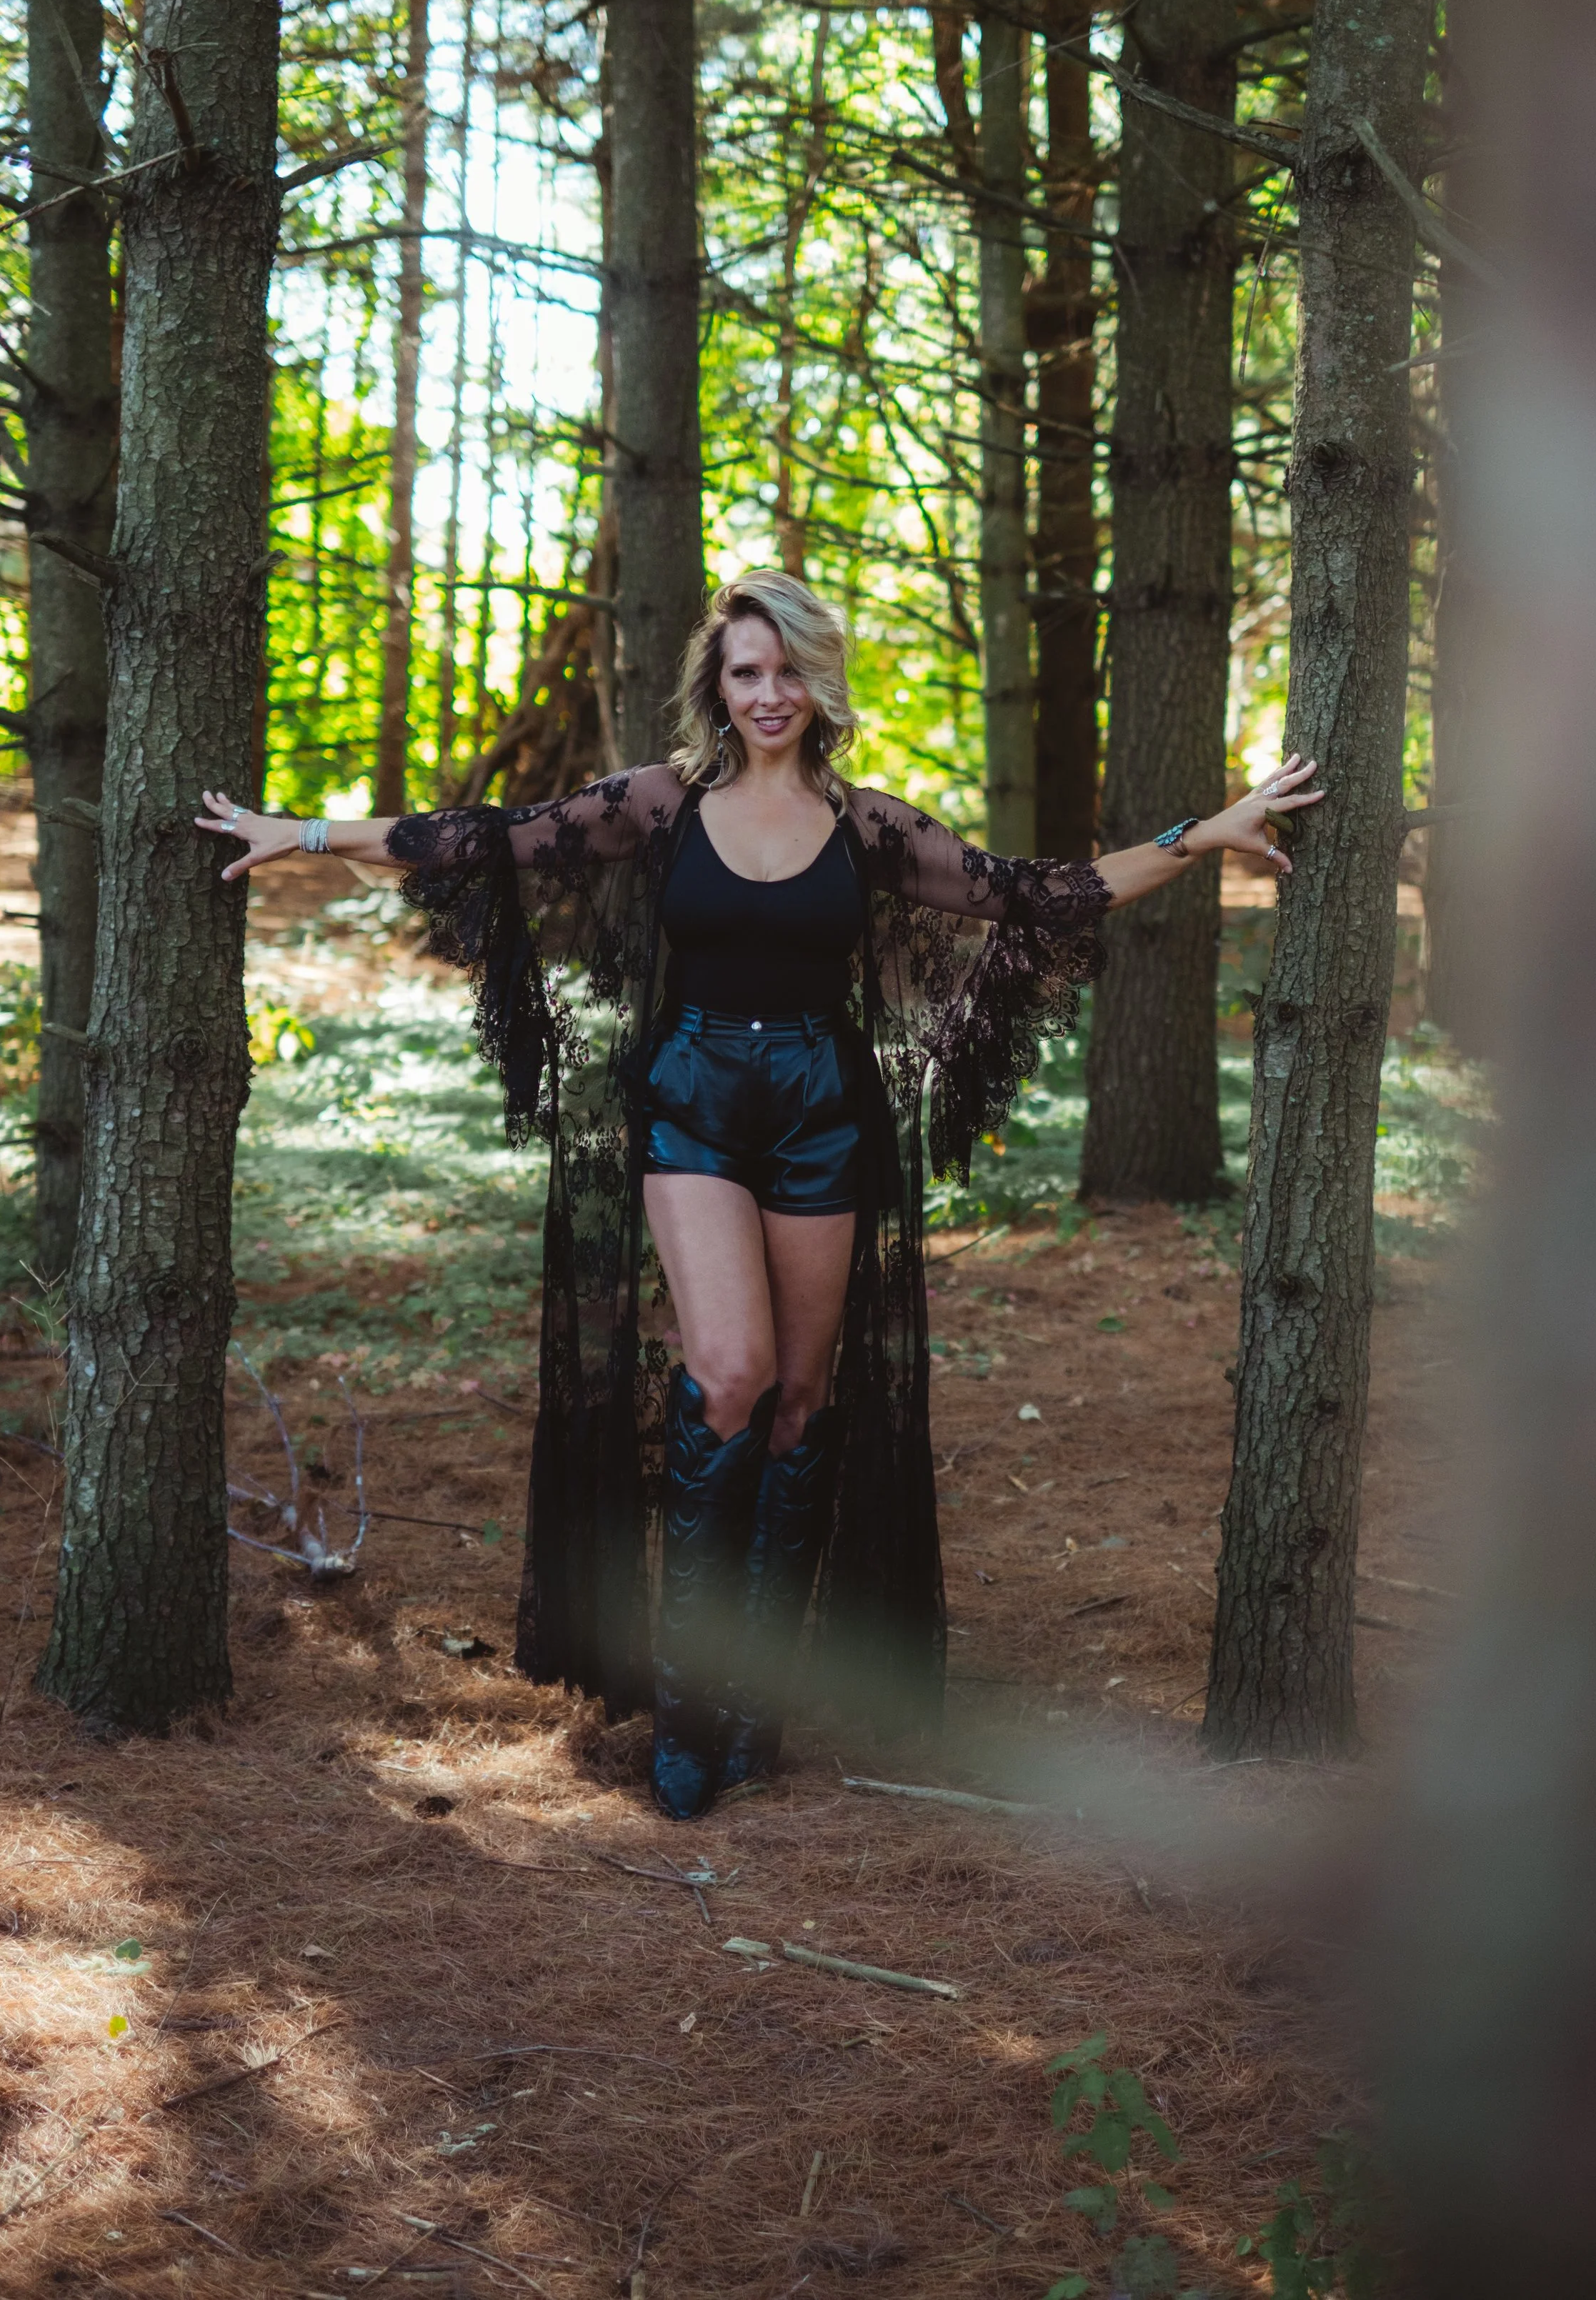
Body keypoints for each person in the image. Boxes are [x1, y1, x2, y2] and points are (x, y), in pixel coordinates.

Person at [199, 572, 1320, 1820]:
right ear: (715, 687)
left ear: (818, 681)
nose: (769, 692)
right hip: (692, 1103)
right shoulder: (663, 804)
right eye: (746, 670)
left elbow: (1036, 892)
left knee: (799, 1402)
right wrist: (301, 833)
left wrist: (1206, 834)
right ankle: (688, 1705)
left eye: (787, 669)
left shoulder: (870, 828)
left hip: (820, 1117)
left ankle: (754, 1706)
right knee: (726, 1373)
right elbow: (489, 835)